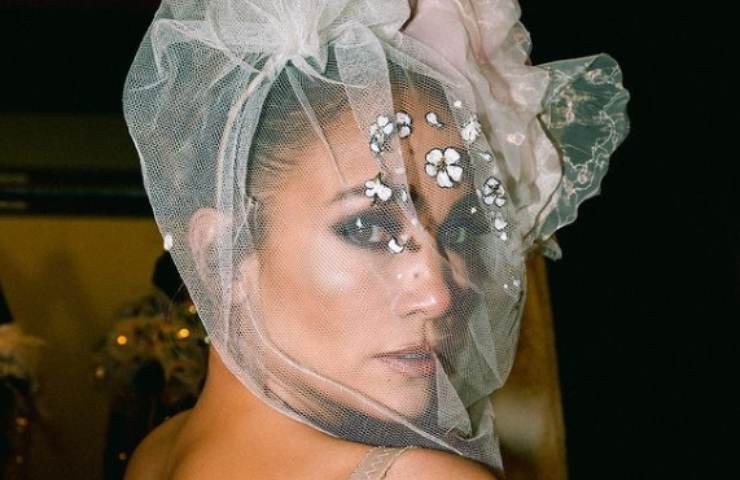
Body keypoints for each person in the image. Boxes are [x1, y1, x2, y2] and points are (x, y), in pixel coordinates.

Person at [121, 1, 630, 478]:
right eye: (368, 228)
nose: (439, 296)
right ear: (221, 254)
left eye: (458, 230)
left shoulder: (157, 453)